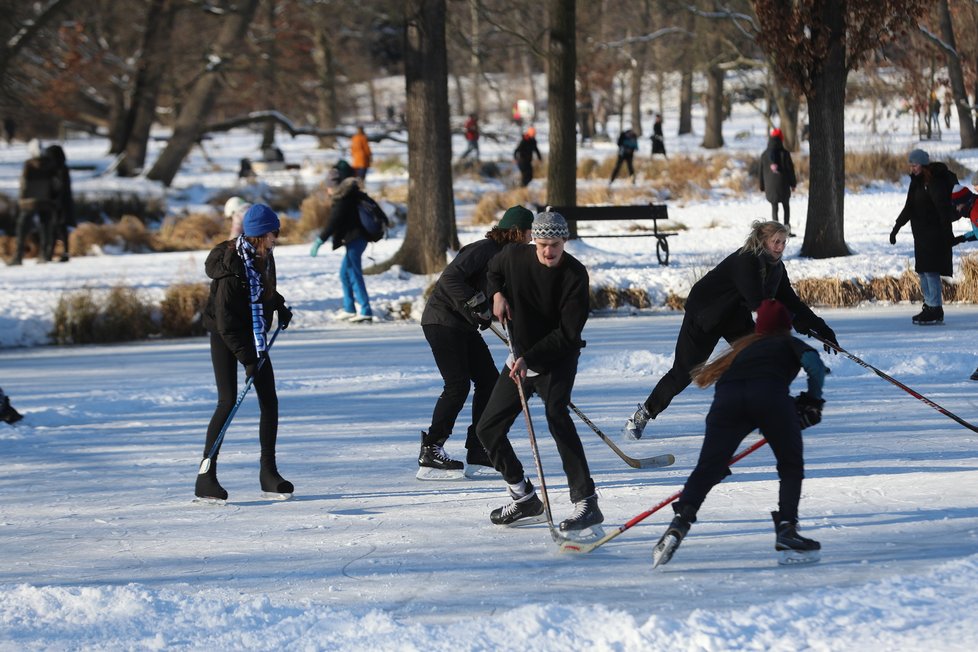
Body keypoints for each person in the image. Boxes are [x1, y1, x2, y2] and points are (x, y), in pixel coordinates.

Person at [623, 220, 838, 440]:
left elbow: (792, 302)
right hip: (706, 315)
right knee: (684, 373)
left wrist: (820, 327)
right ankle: (643, 414)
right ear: (762, 241)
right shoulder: (746, 261)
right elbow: (760, 304)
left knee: (760, 361)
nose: (780, 247)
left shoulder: (777, 268)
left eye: (784, 242)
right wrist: (793, 324)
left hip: (735, 317)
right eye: (776, 241)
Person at [651, 299, 826, 568]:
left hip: (726, 403)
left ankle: (680, 522)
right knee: (790, 463)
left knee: (707, 467)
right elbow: (814, 363)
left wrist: (722, 456)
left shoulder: (742, 349)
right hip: (770, 400)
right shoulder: (787, 342)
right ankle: (787, 528)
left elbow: (745, 394)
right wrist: (813, 400)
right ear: (785, 327)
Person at [475, 210, 603, 532]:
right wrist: (497, 294)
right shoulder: (514, 257)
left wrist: (530, 360)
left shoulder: (575, 275)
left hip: (557, 358)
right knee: (487, 430)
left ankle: (586, 502)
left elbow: (568, 333)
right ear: (533, 240)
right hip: (519, 356)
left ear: (566, 241)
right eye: (543, 243)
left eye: (556, 245)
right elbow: (492, 270)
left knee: (556, 415)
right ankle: (523, 497)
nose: (549, 251)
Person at [418, 206, 535, 479]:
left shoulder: (508, 259)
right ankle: (431, 448)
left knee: (489, 382)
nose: (531, 239)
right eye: (529, 233)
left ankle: (477, 449)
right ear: (517, 231)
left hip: (463, 327)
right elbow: (450, 279)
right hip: (442, 322)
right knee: (457, 385)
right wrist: (474, 302)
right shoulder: (484, 249)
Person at [195, 204, 294, 501]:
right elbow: (226, 324)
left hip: (253, 332)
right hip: (225, 334)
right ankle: (206, 477)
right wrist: (249, 360)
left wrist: (278, 304)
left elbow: (261, 288)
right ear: (261, 234)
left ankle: (268, 473)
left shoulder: (264, 255)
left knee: (269, 401)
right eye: (273, 232)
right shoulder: (230, 267)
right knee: (227, 401)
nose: (277, 236)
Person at [889, 148, 956, 326]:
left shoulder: (934, 182)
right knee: (922, 270)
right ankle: (929, 306)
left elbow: (942, 210)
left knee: (931, 271)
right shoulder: (916, 183)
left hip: (935, 235)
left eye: (915, 165)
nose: (912, 168)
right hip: (921, 235)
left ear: (923, 165)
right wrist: (896, 227)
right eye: (910, 165)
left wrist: (948, 234)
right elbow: (909, 207)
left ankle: (935, 308)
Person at [309, 167, 374, 322]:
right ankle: (349, 308)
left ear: (334, 187)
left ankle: (366, 310)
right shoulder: (348, 196)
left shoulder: (343, 200)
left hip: (356, 241)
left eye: (328, 187)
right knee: (345, 273)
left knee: (354, 274)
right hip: (356, 240)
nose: (327, 190)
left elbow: (332, 223)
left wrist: (319, 241)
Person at [11, 139, 57, 265]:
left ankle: (18, 255)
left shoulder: (28, 165)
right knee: (45, 227)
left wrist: (21, 199)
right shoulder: (50, 165)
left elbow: (24, 183)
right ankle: (45, 254)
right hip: (46, 199)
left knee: (22, 227)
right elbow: (55, 183)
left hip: (29, 200)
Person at [759, 128, 797, 233]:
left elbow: (761, 172)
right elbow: (790, 170)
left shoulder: (764, 154)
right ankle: (787, 230)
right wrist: (793, 184)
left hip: (770, 186)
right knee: (786, 206)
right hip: (783, 185)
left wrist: (762, 186)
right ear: (781, 139)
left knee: (774, 206)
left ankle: (775, 231)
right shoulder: (784, 154)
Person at [43, 145, 75, 262]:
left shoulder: (59, 169)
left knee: (58, 228)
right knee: (58, 229)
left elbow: (61, 187)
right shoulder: (59, 168)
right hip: (59, 202)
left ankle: (57, 253)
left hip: (60, 203)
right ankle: (54, 252)